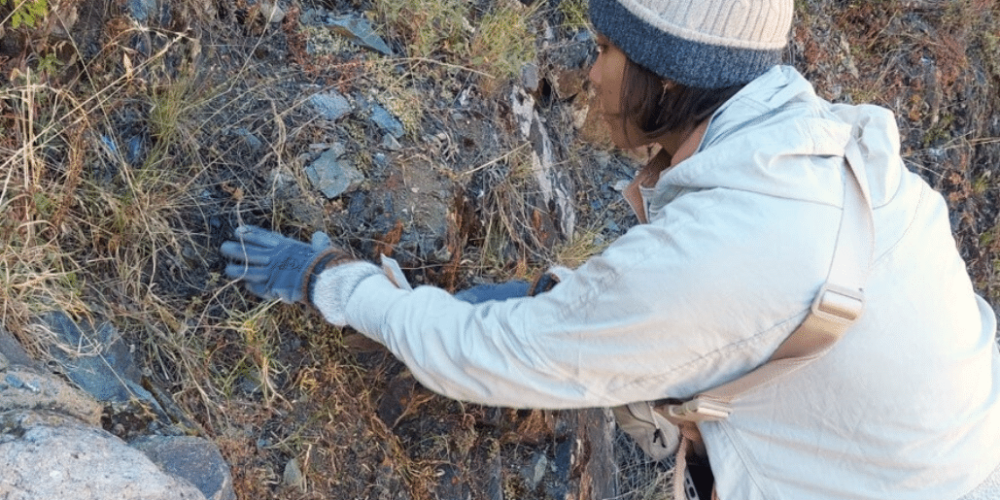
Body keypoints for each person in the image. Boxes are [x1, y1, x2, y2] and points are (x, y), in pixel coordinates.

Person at [220, 0, 1000, 498]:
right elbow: (725, 311)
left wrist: (334, 282)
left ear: (671, 76)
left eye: (603, 48)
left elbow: (484, 359)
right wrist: (557, 296)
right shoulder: (826, 148)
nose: (588, 73)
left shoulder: (731, 246)